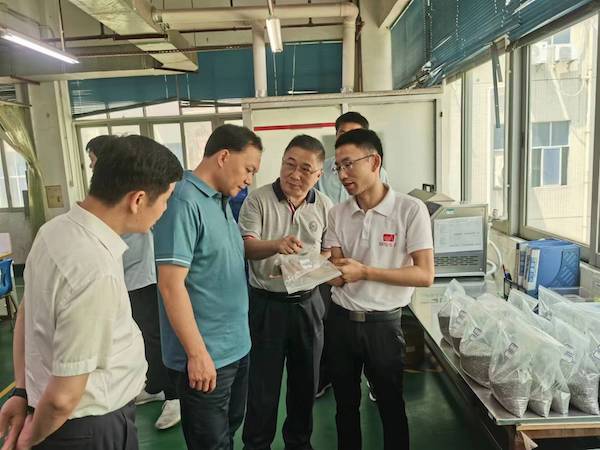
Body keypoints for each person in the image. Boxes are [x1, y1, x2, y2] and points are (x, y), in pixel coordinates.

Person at [0, 135, 182, 450]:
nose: (165, 210)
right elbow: (63, 398)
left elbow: (27, 318)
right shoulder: (93, 268)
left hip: (58, 414)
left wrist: (21, 390)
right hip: (89, 428)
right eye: (165, 200)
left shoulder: (53, 231)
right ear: (138, 200)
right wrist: (28, 441)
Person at [323, 129, 434, 450]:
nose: (342, 175)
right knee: (345, 407)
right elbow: (338, 270)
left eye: (349, 164)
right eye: (338, 167)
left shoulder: (410, 210)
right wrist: (314, 271)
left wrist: (365, 271)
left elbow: (424, 274)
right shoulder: (338, 213)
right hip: (341, 322)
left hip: (383, 325)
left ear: (374, 162)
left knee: (390, 405)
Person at [153, 124, 263, 450]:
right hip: (206, 356)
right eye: (248, 169)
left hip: (235, 348)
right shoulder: (183, 201)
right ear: (224, 156)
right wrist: (197, 354)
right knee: (210, 443)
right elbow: (170, 285)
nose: (249, 179)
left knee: (228, 433)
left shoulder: (220, 200)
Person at [239, 135, 333, 450]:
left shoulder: (325, 206)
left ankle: (299, 443)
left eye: (305, 169)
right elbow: (247, 247)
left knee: (306, 383)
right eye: (289, 165)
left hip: (308, 304)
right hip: (267, 305)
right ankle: (257, 444)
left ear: (318, 175)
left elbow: (329, 251)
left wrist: (313, 264)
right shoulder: (258, 200)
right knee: (262, 385)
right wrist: (277, 245)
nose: (295, 175)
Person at [87, 135, 181, 430]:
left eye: (93, 162)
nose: (92, 169)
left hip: (142, 275)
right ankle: (154, 386)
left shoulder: (132, 199)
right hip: (125, 275)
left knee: (154, 336)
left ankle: (174, 396)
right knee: (141, 333)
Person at [315, 111, 388, 400]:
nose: (343, 174)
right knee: (326, 319)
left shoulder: (382, 178)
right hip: (329, 249)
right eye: (342, 133)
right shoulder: (325, 171)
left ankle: (375, 379)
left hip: (364, 258)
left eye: (353, 133)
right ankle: (326, 377)